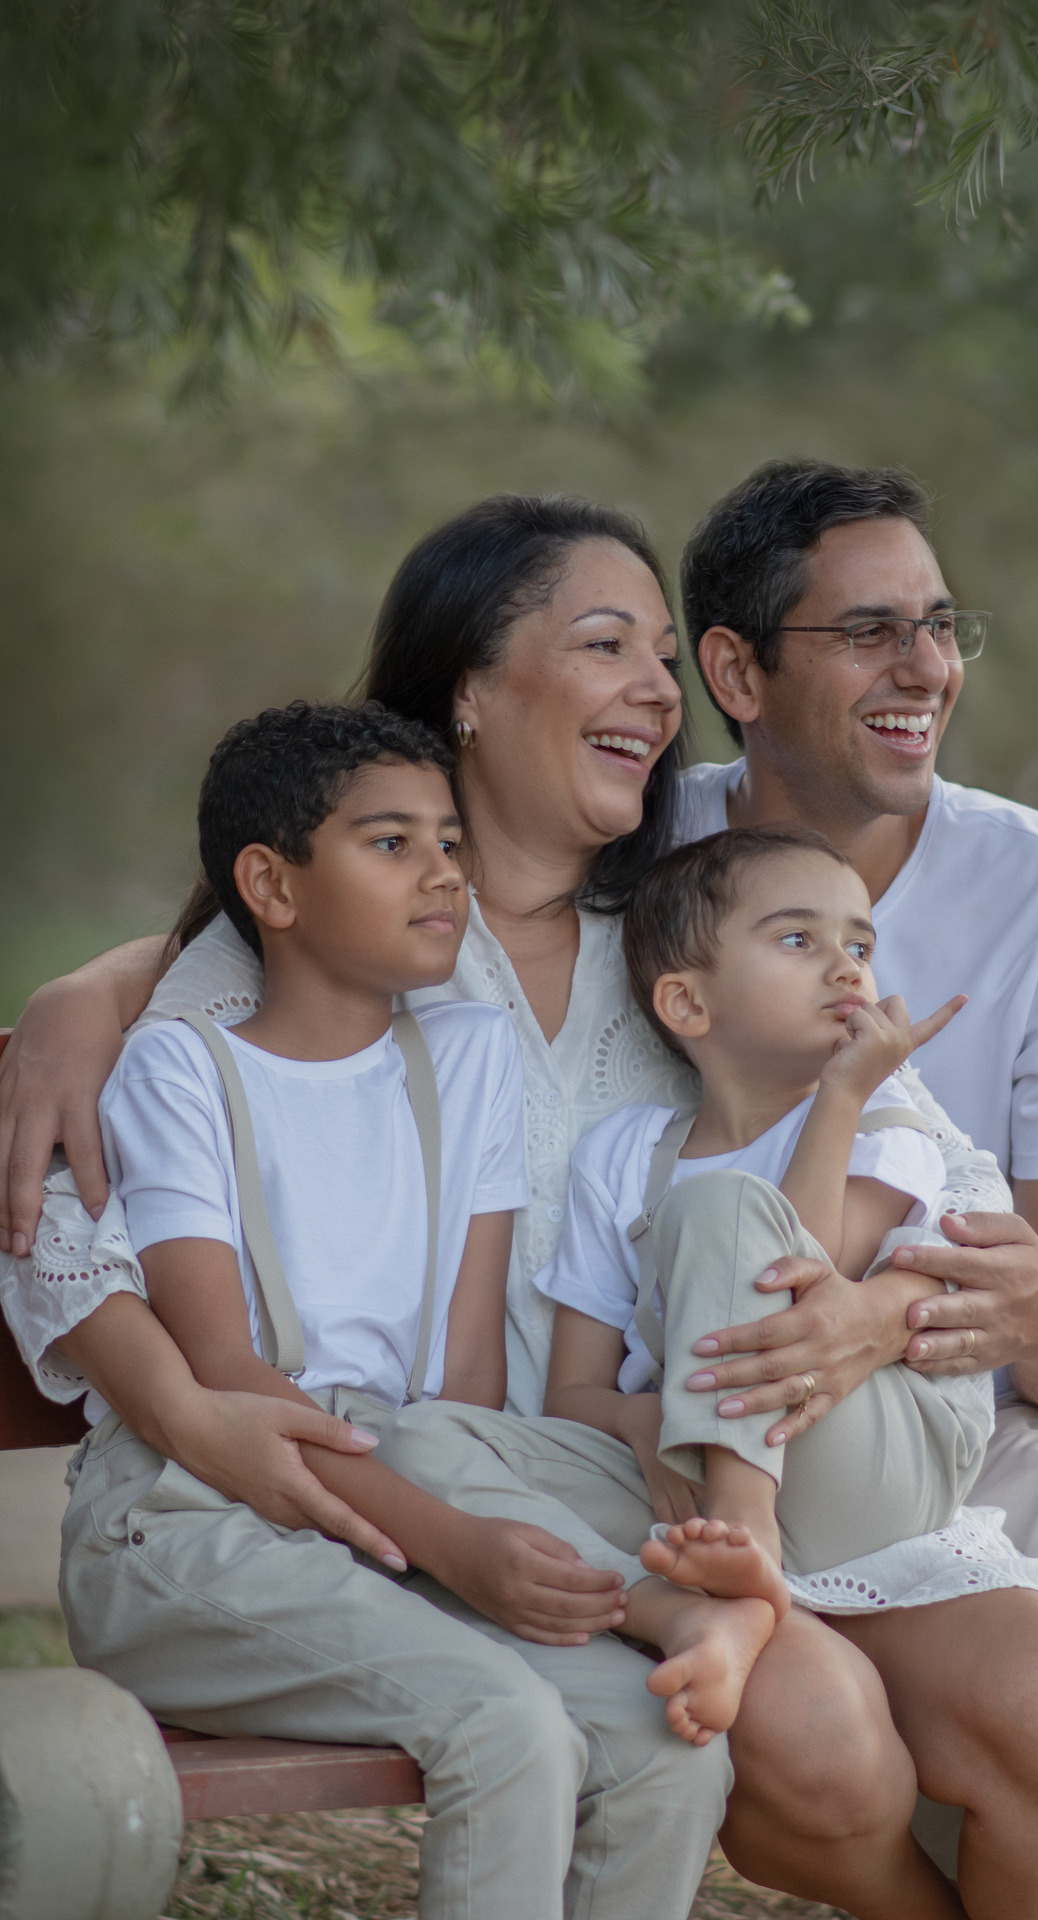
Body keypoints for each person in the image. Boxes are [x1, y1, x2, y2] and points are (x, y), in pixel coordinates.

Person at [0, 493, 1038, 1920]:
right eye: (606, 646)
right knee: (821, 1739)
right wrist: (82, 1000)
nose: (657, 691)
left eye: (663, 654)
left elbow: (928, 1154)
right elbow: (94, 1195)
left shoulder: (676, 934)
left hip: (704, 1467)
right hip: (484, 1490)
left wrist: (886, 1296)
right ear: (467, 692)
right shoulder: (360, 936)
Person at [671, 458, 1038, 1917]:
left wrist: (910, 1312)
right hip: (942, 1421)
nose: (926, 668)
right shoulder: (648, 869)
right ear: (737, 672)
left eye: (941, 625)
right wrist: (122, 989)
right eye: (869, 631)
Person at [68, 696, 733, 1920]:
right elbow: (219, 1370)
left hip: (396, 1511)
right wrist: (451, 1545)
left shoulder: (465, 1056)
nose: (441, 873)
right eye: (391, 843)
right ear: (270, 886)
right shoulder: (185, 1068)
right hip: (192, 1523)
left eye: (449, 842)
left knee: (662, 1750)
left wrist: (455, 1532)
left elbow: (463, 1383)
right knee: (503, 1726)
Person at [539, 823, 1020, 1612]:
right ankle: (718, 1559)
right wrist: (641, 1419)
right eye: (799, 939)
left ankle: (746, 1541)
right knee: (434, 1444)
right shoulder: (623, 1155)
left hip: (864, 1462)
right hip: (679, 1465)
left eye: (860, 947)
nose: (847, 968)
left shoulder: (880, 1122)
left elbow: (805, 1294)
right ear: (688, 1002)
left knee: (721, 1205)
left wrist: (843, 1092)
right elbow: (570, 1394)